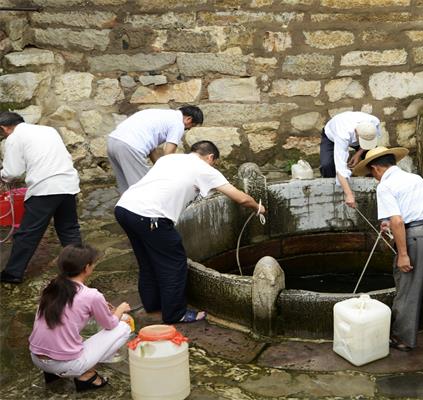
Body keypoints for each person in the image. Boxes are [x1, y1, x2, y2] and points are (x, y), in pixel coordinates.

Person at [114, 140, 265, 324]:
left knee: (147, 260)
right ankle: (175, 314)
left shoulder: (168, 159)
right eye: (214, 162)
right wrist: (258, 207)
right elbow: (240, 198)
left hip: (124, 208)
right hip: (150, 217)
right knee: (175, 264)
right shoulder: (206, 169)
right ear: (210, 157)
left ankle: (152, 304)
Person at [353, 146, 423, 351]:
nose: (374, 178)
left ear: (376, 169)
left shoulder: (385, 186)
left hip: (417, 237)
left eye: (372, 173)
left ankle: (404, 338)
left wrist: (403, 255)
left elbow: (397, 221)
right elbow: (414, 210)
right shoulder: (414, 178)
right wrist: (391, 223)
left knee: (408, 288)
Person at [28, 244, 132, 392]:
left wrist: (97, 307)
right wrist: (121, 309)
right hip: (64, 364)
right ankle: (86, 375)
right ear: (86, 267)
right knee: (123, 326)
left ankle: (55, 373)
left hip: (36, 358)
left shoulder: (51, 287)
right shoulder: (92, 295)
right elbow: (110, 324)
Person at [0, 112, 81, 284]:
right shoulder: (48, 130)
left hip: (45, 188)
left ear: (5, 128)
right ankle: (80, 268)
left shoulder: (14, 138)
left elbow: (12, 171)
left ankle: (13, 273)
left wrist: (3, 176)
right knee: (69, 229)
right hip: (68, 183)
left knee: (28, 233)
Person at [107, 105, 203, 194]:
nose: (188, 129)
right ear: (188, 119)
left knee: (126, 186)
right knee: (143, 187)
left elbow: (151, 149)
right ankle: (142, 211)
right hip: (130, 146)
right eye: (191, 126)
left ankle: (124, 210)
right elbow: (168, 153)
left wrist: (159, 168)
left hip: (112, 142)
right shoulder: (178, 123)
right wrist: (172, 175)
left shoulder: (160, 114)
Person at [320, 111, 380, 208]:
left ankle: (376, 188)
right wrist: (349, 194)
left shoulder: (374, 123)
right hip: (331, 136)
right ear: (356, 133)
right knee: (327, 165)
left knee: (375, 159)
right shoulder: (342, 134)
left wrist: (358, 154)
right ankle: (334, 193)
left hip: (359, 134)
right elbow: (341, 168)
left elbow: (369, 140)